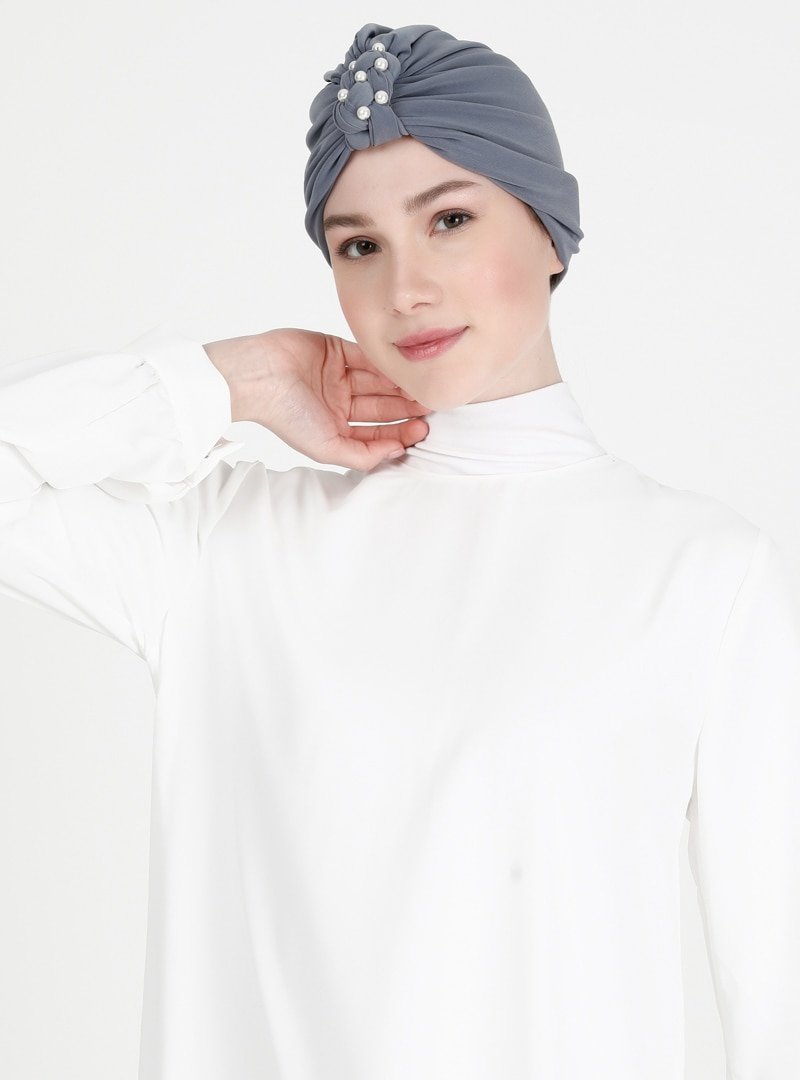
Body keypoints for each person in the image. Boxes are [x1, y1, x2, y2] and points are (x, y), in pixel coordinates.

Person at [1, 20, 798, 1080]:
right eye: (358, 246)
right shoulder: (225, 550)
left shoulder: (705, 576)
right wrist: (233, 380)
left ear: (551, 231)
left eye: (449, 220)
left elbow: (779, 1004)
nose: (404, 287)